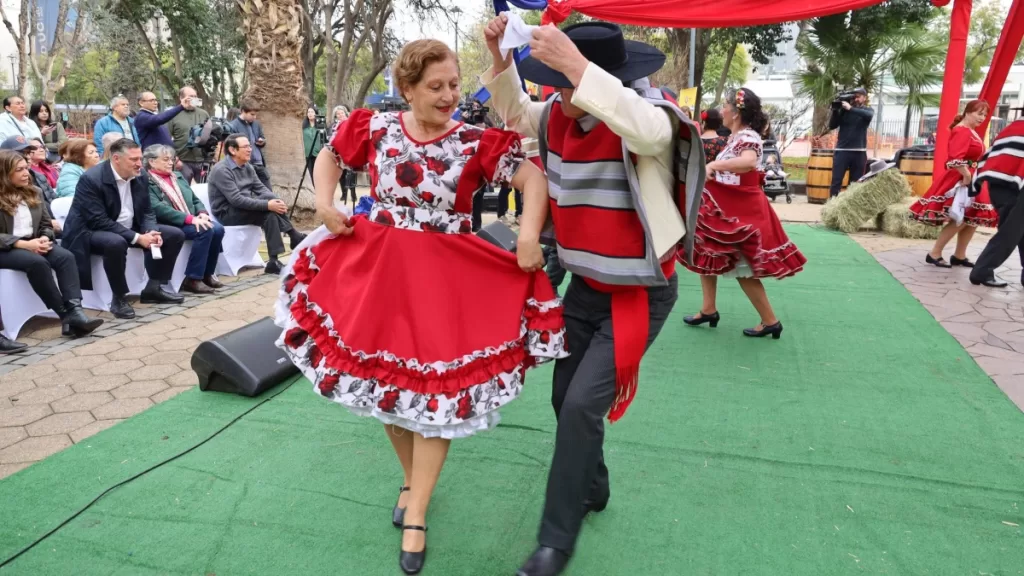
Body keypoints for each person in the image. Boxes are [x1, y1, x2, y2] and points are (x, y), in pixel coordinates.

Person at [279, 38, 563, 576]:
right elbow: (331, 156)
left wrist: (528, 235)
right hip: (379, 272)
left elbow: (533, 178)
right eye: (436, 86)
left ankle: (418, 512)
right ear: (406, 89)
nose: (449, 95)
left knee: (437, 393)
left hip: (445, 279)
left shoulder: (476, 140)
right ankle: (412, 481)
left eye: (453, 84)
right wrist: (324, 203)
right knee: (386, 385)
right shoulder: (375, 128)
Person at [483, 18, 703, 576]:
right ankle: (594, 485)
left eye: (565, 81)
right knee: (565, 400)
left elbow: (649, 133)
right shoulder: (559, 114)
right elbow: (514, 113)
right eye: (556, 83)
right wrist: (501, 59)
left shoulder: (648, 116)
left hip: (638, 294)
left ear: (598, 77)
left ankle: (555, 541)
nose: (559, 94)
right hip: (585, 289)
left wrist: (576, 69)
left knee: (582, 405)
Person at [680, 87, 806, 339]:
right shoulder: (736, 137)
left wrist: (715, 164)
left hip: (741, 210)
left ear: (736, 113)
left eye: (725, 106)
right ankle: (708, 309)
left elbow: (748, 162)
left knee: (741, 265)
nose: (722, 111)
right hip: (727, 206)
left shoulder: (748, 137)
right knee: (707, 251)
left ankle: (770, 321)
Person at [61, 139, 186, 319]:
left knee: (174, 235)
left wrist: (150, 231)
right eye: (133, 159)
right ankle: (119, 298)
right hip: (89, 231)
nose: (139, 163)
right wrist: (137, 238)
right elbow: (98, 220)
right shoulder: (91, 179)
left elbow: (147, 210)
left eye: (140, 158)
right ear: (116, 159)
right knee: (116, 243)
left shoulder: (141, 175)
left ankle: (154, 288)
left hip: (127, 225)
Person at [0, 150, 103, 337]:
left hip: (35, 241)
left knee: (65, 256)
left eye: (26, 168)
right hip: (7, 248)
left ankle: (76, 311)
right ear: (4, 174)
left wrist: (45, 238)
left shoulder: (35, 191)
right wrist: (23, 244)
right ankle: (65, 315)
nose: (26, 173)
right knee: (37, 262)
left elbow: (46, 224)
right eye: (19, 170)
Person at [910, 100, 999, 267]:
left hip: (971, 176)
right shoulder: (962, 130)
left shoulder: (970, 131)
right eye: (979, 113)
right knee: (961, 217)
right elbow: (955, 158)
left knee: (972, 218)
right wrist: (966, 175)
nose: (982, 118)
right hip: (961, 178)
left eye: (985, 115)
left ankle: (959, 255)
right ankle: (935, 253)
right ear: (967, 112)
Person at [207, 134, 305, 274]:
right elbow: (236, 200)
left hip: (244, 208)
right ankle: (294, 235)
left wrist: (276, 201)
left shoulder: (247, 167)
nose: (250, 149)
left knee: (271, 211)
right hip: (227, 212)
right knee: (268, 210)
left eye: (250, 146)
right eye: (245, 147)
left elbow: (261, 189)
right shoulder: (222, 170)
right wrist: (268, 205)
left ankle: (274, 260)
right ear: (233, 150)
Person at [144, 144, 225, 294]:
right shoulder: (146, 181)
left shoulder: (177, 176)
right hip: (169, 223)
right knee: (205, 230)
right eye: (166, 160)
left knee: (218, 229)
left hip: (191, 218)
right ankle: (193, 279)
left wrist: (202, 212)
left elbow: (194, 199)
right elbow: (157, 208)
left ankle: (207, 273)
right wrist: (190, 219)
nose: (171, 162)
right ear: (152, 162)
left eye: (172, 159)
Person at [968, 117, 1024, 288]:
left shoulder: (1013, 127)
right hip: (1016, 187)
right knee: (1010, 233)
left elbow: (994, 154)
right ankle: (982, 270)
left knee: (1017, 231)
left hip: (997, 186)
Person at [828, 87, 874, 198]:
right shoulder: (844, 111)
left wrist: (851, 108)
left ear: (864, 98)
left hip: (859, 152)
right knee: (836, 180)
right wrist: (835, 111)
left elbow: (868, 115)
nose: (855, 99)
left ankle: (850, 205)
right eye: (854, 97)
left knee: (855, 183)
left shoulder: (868, 110)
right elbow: (832, 126)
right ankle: (832, 204)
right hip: (842, 151)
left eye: (858, 97)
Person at [167, 87, 211, 184]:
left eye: (195, 96)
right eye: (191, 96)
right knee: (183, 190)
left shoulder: (204, 114)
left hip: (202, 160)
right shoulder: (173, 115)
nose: (194, 98)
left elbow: (210, 135)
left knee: (203, 189)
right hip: (182, 161)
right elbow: (166, 139)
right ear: (181, 98)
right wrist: (175, 160)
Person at [227, 99, 271, 190]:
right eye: (252, 114)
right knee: (246, 193)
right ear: (243, 111)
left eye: (255, 114)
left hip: (259, 164)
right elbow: (232, 148)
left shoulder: (257, 124)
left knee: (268, 192)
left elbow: (262, 138)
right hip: (245, 165)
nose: (255, 117)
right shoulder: (233, 126)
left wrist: (262, 141)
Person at [331, 106, 358, 207]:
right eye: (338, 114)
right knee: (342, 174)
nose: (340, 115)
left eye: (342, 113)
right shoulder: (334, 125)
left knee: (352, 173)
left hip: (350, 151)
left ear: (345, 113)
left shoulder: (350, 123)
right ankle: (344, 193)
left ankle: (353, 193)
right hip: (339, 152)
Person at [301, 107, 324, 185]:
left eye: (312, 112)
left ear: (316, 113)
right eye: (308, 112)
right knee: (309, 173)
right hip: (307, 153)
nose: (310, 114)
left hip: (318, 153)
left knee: (318, 173)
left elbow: (324, 139)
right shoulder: (303, 126)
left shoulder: (320, 125)